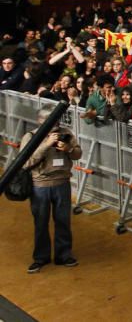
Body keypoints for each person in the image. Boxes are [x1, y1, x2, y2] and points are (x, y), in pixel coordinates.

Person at [22, 108, 82, 273]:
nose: (57, 126)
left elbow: (78, 154)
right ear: (41, 121)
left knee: (63, 221)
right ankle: (41, 257)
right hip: (40, 186)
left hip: (62, 183)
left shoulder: (66, 133)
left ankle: (64, 255)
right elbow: (25, 162)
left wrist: (68, 148)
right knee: (40, 222)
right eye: (52, 122)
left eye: (57, 122)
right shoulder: (31, 136)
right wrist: (46, 145)